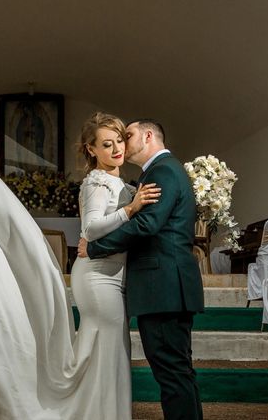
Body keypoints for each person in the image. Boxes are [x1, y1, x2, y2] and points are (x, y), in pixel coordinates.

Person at [78, 119, 204, 420]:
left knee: (173, 373)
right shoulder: (161, 171)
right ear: (92, 150)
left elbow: (147, 224)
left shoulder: (162, 171)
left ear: (147, 137)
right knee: (176, 372)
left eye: (127, 136)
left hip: (163, 286)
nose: (122, 142)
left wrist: (93, 247)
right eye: (110, 142)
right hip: (163, 285)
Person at [69, 112, 161, 419]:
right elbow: (92, 229)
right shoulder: (96, 182)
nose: (116, 149)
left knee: (110, 352)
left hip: (112, 273)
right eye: (106, 144)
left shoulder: (118, 181)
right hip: (97, 276)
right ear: (91, 150)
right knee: (110, 352)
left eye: (119, 140)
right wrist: (132, 208)